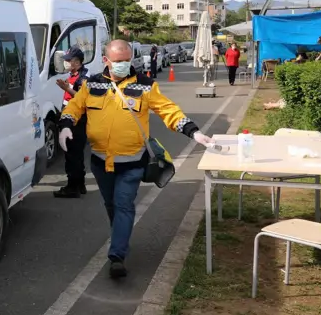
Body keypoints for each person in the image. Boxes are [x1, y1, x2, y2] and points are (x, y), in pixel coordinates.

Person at [58, 40, 212, 278]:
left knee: (123, 204)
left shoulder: (145, 85)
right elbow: (75, 107)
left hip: (131, 162)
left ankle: (117, 255)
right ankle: (121, 233)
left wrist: (193, 131)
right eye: (118, 61)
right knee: (112, 205)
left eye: (126, 60)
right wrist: (66, 126)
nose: (123, 65)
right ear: (106, 61)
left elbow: (168, 110)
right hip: (100, 163)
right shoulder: (92, 84)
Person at [53, 46, 89, 198]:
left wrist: (67, 89)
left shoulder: (84, 78)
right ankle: (80, 185)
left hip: (77, 121)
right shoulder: (73, 75)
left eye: (68, 61)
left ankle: (72, 187)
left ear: (76, 62)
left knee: (72, 153)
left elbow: (84, 100)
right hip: (69, 118)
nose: (66, 63)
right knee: (75, 154)